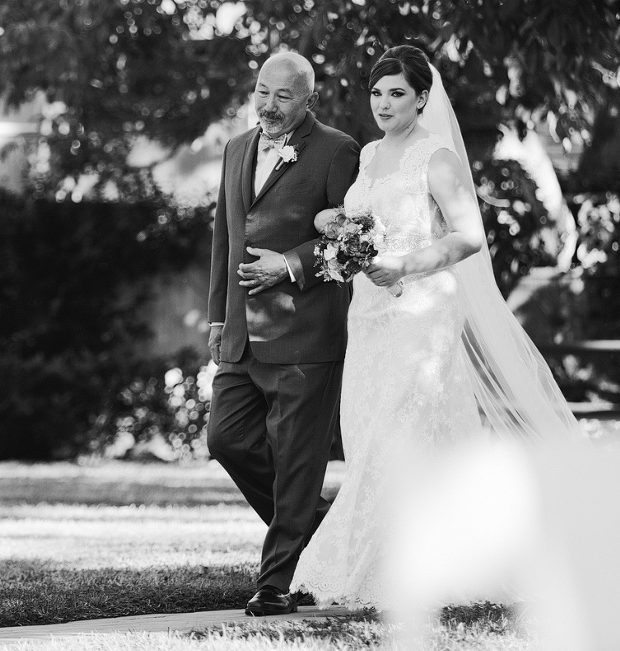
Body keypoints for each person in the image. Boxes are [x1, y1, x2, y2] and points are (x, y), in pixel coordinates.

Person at [292, 44, 581, 606]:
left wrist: (404, 263)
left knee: (396, 430)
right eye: (376, 93)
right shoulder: (370, 155)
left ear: (422, 98)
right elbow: (360, 218)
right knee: (369, 428)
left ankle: (374, 570)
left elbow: (469, 236)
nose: (383, 103)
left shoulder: (438, 158)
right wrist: (336, 222)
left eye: (396, 93)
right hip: (370, 311)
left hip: (422, 312)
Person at [206, 50, 361, 617]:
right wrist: (218, 319)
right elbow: (225, 237)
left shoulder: (337, 149)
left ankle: (275, 584)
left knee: (298, 462)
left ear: (308, 99)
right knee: (226, 439)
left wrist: (290, 264)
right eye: (262, 92)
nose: (268, 105)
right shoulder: (234, 149)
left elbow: (354, 237)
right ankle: (323, 530)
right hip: (241, 334)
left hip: (307, 333)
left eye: (283, 96)